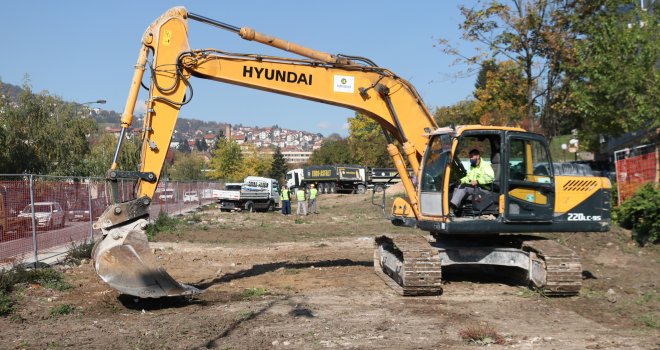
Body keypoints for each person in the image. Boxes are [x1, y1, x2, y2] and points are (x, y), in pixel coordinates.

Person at [449, 149, 495, 214]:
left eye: (472, 157)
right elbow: (468, 178)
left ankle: (452, 207)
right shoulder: (473, 167)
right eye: (469, 157)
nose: (470, 159)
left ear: (478, 156)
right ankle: (456, 209)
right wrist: (460, 180)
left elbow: (490, 177)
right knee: (458, 187)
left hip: (483, 189)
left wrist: (478, 181)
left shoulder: (485, 166)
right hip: (475, 188)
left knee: (464, 187)